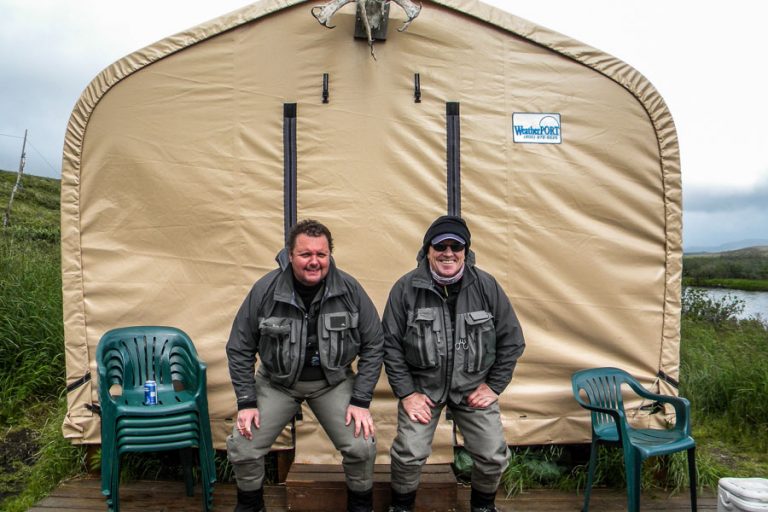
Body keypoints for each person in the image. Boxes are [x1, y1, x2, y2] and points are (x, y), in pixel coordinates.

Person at [226, 219, 384, 512]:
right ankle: (250, 505)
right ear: (290, 255)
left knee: (362, 446)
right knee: (244, 446)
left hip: (332, 383)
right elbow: (239, 347)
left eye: (321, 255)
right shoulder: (265, 290)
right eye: (305, 254)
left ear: (330, 256)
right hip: (277, 384)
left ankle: (360, 506)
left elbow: (375, 344)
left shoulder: (349, 289)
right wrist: (246, 401)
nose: (314, 261)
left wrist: (361, 400)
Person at [382, 215, 525, 512]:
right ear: (428, 250)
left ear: (466, 251)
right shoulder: (405, 289)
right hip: (424, 389)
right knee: (408, 453)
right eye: (441, 246)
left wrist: (494, 386)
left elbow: (512, 340)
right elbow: (390, 345)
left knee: (493, 455)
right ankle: (401, 505)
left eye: (455, 246)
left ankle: (483, 506)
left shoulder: (486, 287)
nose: (448, 253)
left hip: (471, 388)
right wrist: (407, 393)